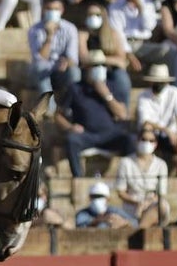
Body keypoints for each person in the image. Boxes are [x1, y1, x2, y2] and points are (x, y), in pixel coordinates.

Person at [57, 49, 137, 177]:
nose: (99, 68)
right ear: (86, 68)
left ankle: (129, 179)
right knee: (71, 140)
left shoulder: (113, 85)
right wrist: (70, 127)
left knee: (131, 140)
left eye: (102, 65)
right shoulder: (75, 88)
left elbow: (123, 114)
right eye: (95, 66)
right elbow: (58, 115)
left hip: (110, 135)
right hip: (87, 135)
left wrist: (106, 94)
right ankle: (79, 178)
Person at [136, 63, 177, 175]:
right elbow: (145, 122)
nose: (159, 84)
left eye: (161, 82)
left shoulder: (173, 92)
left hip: (170, 135)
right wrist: (167, 131)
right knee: (147, 129)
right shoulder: (143, 95)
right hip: (153, 134)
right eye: (157, 81)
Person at [115, 125, 170, 226]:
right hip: (132, 205)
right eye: (143, 139)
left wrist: (146, 203)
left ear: (156, 144)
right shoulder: (125, 162)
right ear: (137, 141)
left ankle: (139, 229)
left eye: (151, 140)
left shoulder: (161, 164)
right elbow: (120, 192)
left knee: (160, 206)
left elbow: (161, 193)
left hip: (152, 203)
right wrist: (137, 202)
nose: (147, 143)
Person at [28, 0, 79, 101]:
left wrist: (66, 62)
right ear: (43, 10)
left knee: (75, 72)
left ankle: (69, 108)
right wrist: (50, 35)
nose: (52, 12)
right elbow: (40, 58)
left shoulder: (70, 28)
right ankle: (49, 110)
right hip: (41, 71)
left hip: (61, 69)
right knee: (40, 68)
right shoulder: (34, 30)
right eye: (49, 9)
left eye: (56, 9)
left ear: (62, 10)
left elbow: (73, 58)